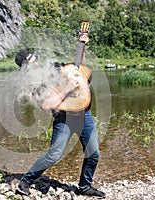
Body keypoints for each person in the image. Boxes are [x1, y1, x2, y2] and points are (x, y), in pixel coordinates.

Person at [14, 33, 106, 198]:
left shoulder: (55, 67)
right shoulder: (34, 85)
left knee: (94, 153)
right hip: (64, 119)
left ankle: (85, 186)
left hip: (84, 113)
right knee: (53, 155)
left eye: (34, 60)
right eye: (30, 64)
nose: (35, 64)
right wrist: (66, 89)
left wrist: (82, 45)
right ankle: (26, 181)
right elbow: (46, 105)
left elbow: (79, 69)